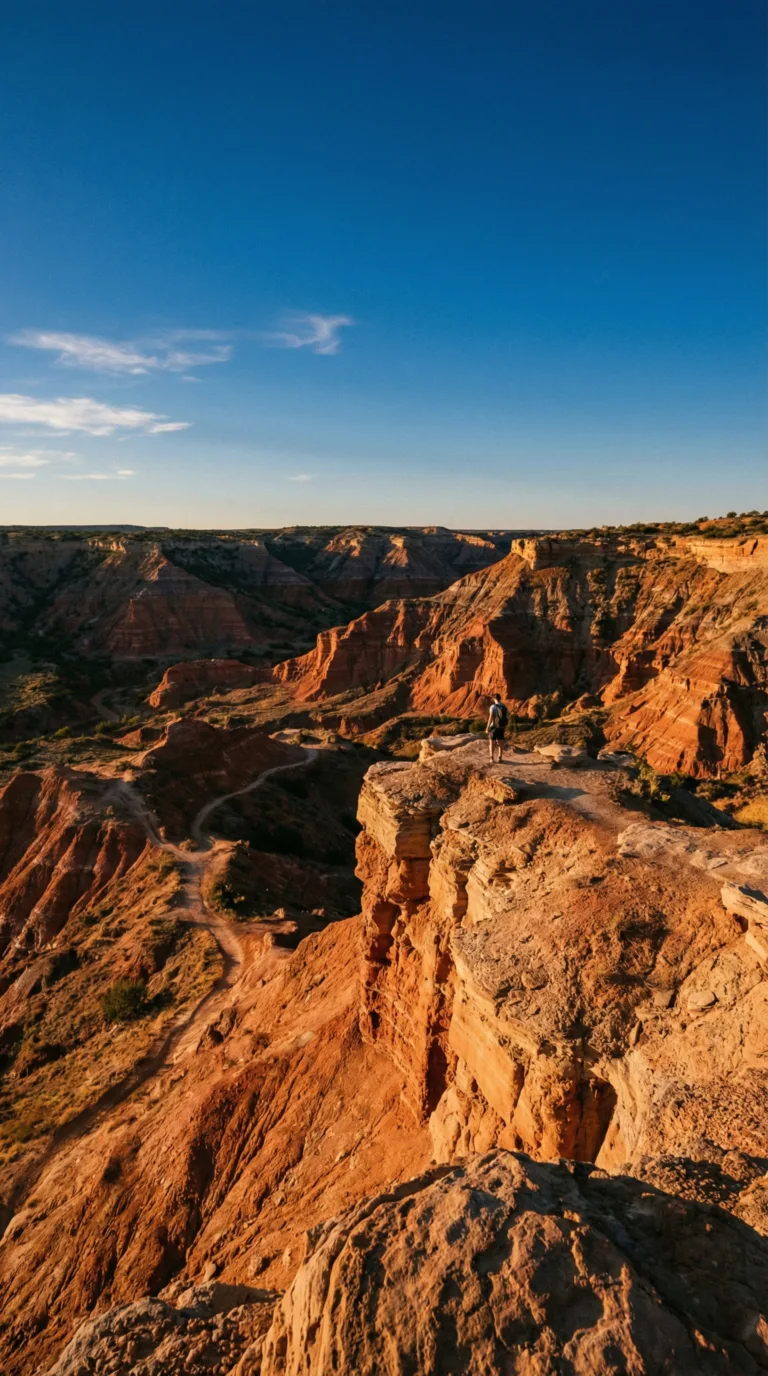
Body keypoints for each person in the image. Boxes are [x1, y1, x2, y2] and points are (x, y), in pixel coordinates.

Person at [486, 693, 508, 763]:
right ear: (500, 698)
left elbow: (491, 717)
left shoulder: (493, 706)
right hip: (501, 727)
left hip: (494, 727)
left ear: (494, 699)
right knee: (500, 743)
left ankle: (491, 758)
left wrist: (487, 727)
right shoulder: (504, 706)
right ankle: (500, 758)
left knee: (492, 743)